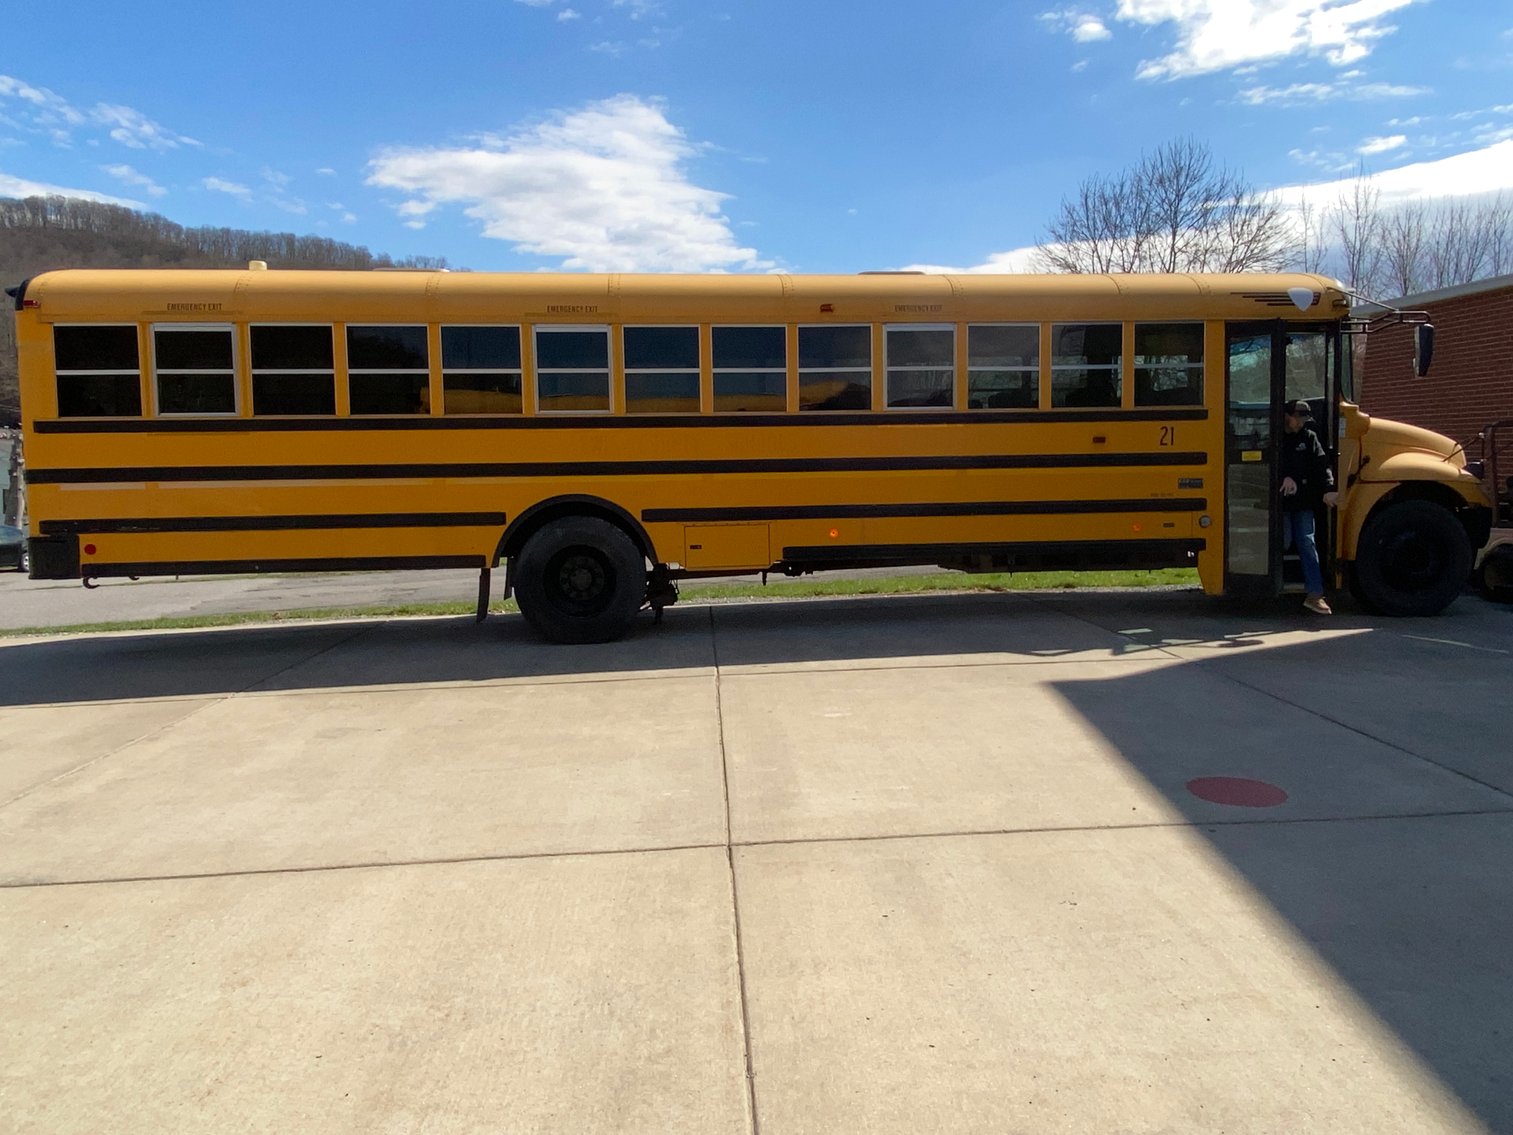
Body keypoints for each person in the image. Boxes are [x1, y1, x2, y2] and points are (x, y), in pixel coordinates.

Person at [1279, 400, 1339, 614]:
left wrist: (1329, 488)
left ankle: (1315, 594)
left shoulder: (1309, 437)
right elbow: (1264, 463)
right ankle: (1271, 584)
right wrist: (1283, 478)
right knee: (1283, 542)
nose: (1302, 423)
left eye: (1305, 419)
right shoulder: (1274, 436)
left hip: (1303, 501)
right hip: (1280, 503)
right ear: (1288, 415)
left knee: (1306, 542)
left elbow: (1322, 466)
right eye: (1299, 418)